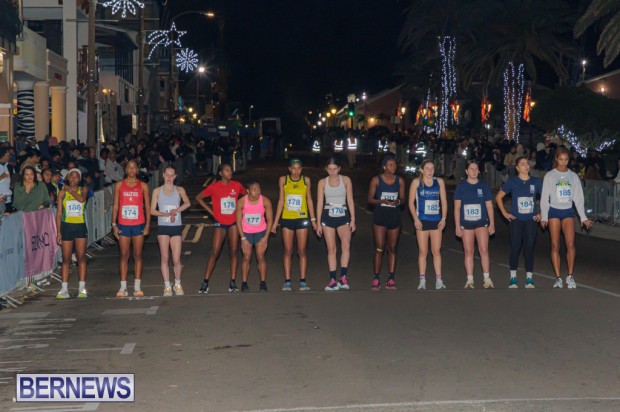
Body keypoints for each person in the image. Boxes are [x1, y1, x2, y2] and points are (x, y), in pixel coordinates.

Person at [540, 147, 592, 289]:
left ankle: (570, 275)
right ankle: (558, 277)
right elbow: (544, 198)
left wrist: (583, 217)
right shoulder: (550, 175)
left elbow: (578, 198)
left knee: (570, 244)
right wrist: (544, 216)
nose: (563, 162)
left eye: (566, 160)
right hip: (554, 212)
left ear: (569, 160)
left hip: (567, 212)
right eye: (561, 159)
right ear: (556, 159)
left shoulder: (573, 176)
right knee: (555, 245)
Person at [196, 163, 246, 293]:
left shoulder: (237, 185)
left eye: (230, 170)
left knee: (234, 251)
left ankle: (233, 282)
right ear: (220, 173)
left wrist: (241, 210)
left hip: (233, 222)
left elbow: (246, 196)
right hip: (220, 222)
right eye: (227, 170)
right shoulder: (214, 187)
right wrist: (212, 212)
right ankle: (205, 282)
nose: (230, 172)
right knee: (214, 251)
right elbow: (199, 198)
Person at [496, 156, 542, 288]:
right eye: (522, 164)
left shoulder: (536, 182)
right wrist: (504, 213)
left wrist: (542, 213)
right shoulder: (512, 182)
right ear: (517, 168)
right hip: (516, 220)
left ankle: (529, 278)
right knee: (515, 248)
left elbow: (546, 198)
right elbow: (498, 197)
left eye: (527, 163)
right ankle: (513, 277)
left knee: (529, 249)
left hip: (531, 220)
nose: (526, 166)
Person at [271, 159, 317, 291]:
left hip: (302, 218)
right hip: (287, 218)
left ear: (301, 169)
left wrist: (313, 220)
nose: (296, 171)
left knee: (302, 250)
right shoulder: (283, 180)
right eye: (294, 168)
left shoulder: (306, 180)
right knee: (288, 250)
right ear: (289, 169)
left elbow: (309, 200)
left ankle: (303, 281)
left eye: (299, 168)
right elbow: (281, 200)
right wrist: (275, 222)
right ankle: (287, 281)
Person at [150, 166, 191, 297]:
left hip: (176, 226)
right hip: (163, 227)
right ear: (163, 175)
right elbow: (152, 210)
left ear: (175, 176)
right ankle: (167, 285)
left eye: (171, 175)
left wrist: (176, 210)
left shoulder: (179, 190)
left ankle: (177, 284)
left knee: (176, 258)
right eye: (167, 175)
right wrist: (164, 214)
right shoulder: (157, 191)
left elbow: (187, 203)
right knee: (165, 257)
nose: (169, 178)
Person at [112, 160, 151, 297]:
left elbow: (148, 207)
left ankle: (137, 286)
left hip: (138, 223)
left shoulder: (143, 186)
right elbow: (115, 206)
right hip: (123, 224)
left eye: (134, 167)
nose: (132, 169)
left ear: (137, 170)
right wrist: (114, 224)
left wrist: (148, 224)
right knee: (124, 255)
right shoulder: (119, 185)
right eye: (129, 167)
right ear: (125, 170)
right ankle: (123, 287)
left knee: (138, 254)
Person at [315, 158, 356, 291]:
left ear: (339, 169)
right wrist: (318, 222)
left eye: (335, 169)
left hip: (343, 214)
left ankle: (343, 277)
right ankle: (332, 279)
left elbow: (350, 199)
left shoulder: (346, 180)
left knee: (346, 245)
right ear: (326, 169)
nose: (332, 172)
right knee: (331, 248)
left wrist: (353, 219)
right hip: (328, 215)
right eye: (330, 169)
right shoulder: (322, 182)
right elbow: (320, 203)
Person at [454, 161, 495, 289]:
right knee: (468, 251)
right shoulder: (461, 187)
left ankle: (487, 278)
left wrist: (492, 223)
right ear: (466, 171)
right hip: (466, 223)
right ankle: (470, 279)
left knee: (484, 250)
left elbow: (489, 206)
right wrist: (457, 226)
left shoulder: (483, 186)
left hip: (481, 222)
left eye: (476, 169)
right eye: (471, 169)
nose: (474, 171)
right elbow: (457, 208)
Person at [409, 159, 448, 290]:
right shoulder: (416, 182)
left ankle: (439, 279)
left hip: (436, 221)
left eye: (432, 168)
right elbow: (410, 203)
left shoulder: (439, 182)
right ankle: (422, 280)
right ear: (422, 169)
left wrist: (443, 219)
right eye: (427, 168)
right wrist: (415, 219)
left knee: (436, 251)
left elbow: (444, 201)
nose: (430, 171)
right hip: (422, 220)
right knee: (423, 251)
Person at [367, 156, 405, 290]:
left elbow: (403, 199)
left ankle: (391, 278)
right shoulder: (376, 180)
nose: (393, 167)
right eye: (390, 164)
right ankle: (376, 278)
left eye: (394, 165)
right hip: (380, 217)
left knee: (392, 248)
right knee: (379, 247)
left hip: (394, 217)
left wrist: (397, 201)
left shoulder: (400, 180)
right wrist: (382, 201)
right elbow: (370, 199)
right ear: (384, 166)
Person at [55, 168, 88, 299]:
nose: (73, 178)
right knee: (66, 258)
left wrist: (70, 190)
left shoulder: (83, 190)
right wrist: (58, 232)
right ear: (68, 178)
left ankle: (82, 288)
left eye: (76, 176)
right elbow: (59, 214)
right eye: (71, 176)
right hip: (66, 227)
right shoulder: (62, 193)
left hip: (80, 227)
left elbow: (81, 200)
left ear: (79, 179)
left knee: (81, 257)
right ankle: (64, 289)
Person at [236, 180, 273, 292]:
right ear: (248, 191)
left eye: (259, 189)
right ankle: (244, 283)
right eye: (254, 189)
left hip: (260, 231)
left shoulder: (265, 201)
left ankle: (263, 283)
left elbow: (270, 220)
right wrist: (243, 238)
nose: (257, 191)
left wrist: (266, 237)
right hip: (246, 232)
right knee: (246, 257)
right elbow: (238, 221)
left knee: (260, 256)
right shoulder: (241, 202)